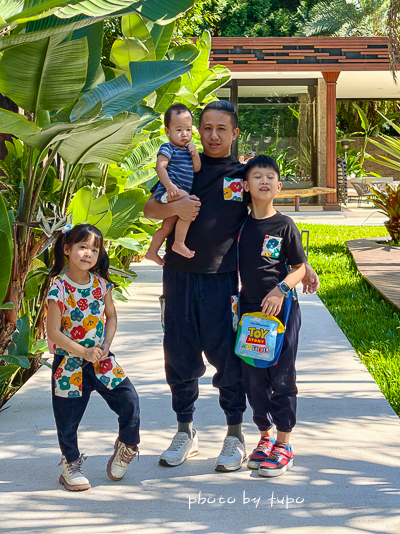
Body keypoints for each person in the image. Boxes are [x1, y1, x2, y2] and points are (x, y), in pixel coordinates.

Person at [143, 100, 321, 474]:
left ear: (234, 133)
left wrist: (302, 266)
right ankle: (184, 431)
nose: (212, 135)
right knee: (179, 355)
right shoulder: (177, 162)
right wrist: (176, 210)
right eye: (206, 127)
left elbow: (269, 218)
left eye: (221, 128)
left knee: (228, 358)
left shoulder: (242, 176)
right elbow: (150, 209)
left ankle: (234, 434)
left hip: (221, 282)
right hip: (177, 277)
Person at [45, 223, 140, 491]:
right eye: (82, 247)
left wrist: (106, 345)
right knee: (67, 420)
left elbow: (111, 317)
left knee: (129, 401)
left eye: (94, 249)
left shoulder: (101, 285)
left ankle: (127, 445)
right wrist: (82, 351)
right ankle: (71, 465)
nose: (88, 253)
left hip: (102, 361)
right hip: (69, 366)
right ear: (67, 249)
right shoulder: (59, 289)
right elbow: (53, 332)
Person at [237, 155, 307, 477]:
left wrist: (281, 289)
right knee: (253, 377)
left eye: (269, 177)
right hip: (249, 313)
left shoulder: (284, 225)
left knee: (281, 375)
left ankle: (284, 443)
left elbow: (299, 268)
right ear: (246, 186)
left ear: (278, 186)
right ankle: (264, 437)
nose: (263, 181)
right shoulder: (239, 226)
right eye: (256, 176)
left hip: (282, 311)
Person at [145, 104, 201, 264]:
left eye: (188, 130)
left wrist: (195, 154)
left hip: (176, 196)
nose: (184, 134)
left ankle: (152, 252)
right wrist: (169, 185)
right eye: (179, 130)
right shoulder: (168, 148)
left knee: (166, 228)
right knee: (191, 204)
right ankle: (179, 243)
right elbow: (160, 167)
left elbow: (196, 169)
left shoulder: (187, 151)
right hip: (169, 192)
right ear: (167, 132)